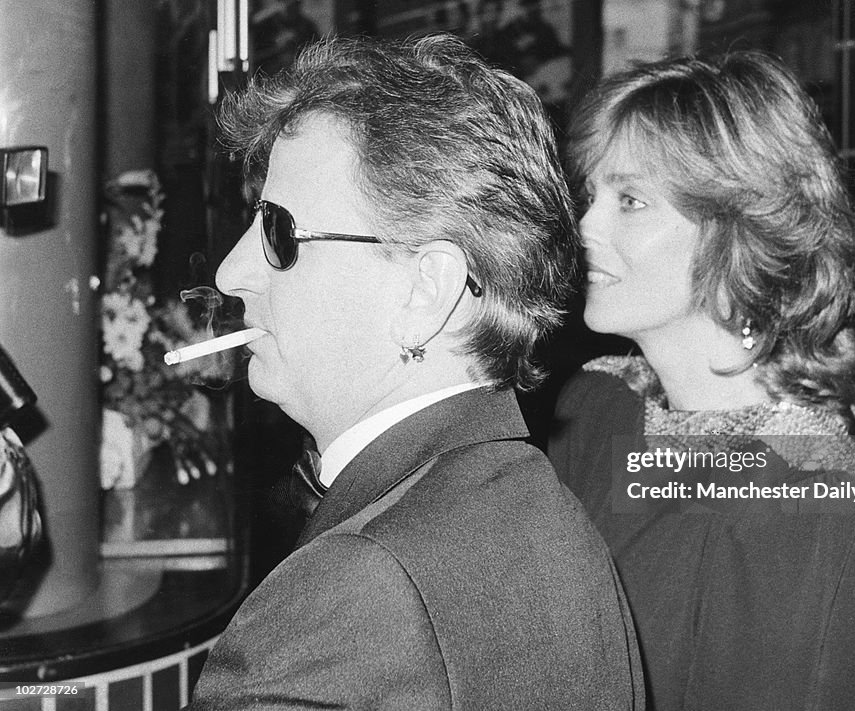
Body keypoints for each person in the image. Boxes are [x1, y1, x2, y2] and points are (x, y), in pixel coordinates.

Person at [189, 35, 644, 710]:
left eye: (278, 232)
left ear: (424, 293)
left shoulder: (354, 592)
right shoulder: (547, 507)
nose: (231, 272)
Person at [548, 51, 855, 710]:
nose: (586, 226)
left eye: (629, 200)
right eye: (591, 194)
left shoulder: (811, 499)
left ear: (737, 229)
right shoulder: (600, 408)